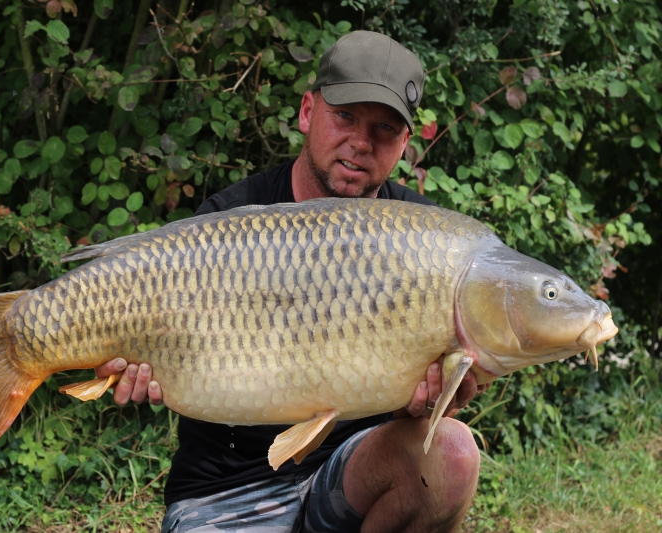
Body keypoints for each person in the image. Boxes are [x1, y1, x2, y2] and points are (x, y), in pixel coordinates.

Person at [95, 31, 483, 532]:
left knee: (452, 452)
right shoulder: (227, 221)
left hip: (352, 476)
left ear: (405, 144)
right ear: (307, 111)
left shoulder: (429, 242)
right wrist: (131, 363)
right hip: (226, 488)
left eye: (384, 129)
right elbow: (157, 347)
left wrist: (445, 396)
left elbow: (438, 396)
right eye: (344, 116)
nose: (361, 143)